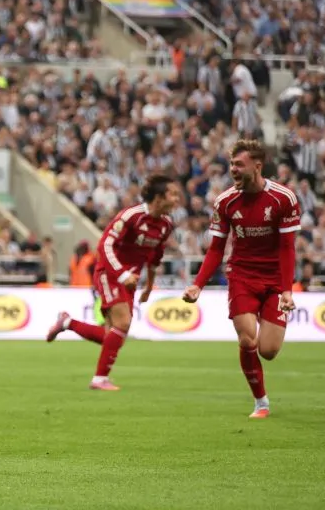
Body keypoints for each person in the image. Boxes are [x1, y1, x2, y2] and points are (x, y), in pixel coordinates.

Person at [183, 140, 299, 419]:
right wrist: (198, 284)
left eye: (239, 164)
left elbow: (287, 248)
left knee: (268, 351)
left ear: (257, 166)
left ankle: (268, 320)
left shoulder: (284, 199)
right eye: (231, 164)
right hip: (242, 275)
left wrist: (286, 290)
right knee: (248, 340)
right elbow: (216, 248)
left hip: (273, 280)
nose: (233, 169)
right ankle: (261, 402)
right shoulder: (224, 201)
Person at [46, 174, 180, 390]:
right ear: (158, 197)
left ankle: (67, 323)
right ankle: (99, 379)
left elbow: (155, 258)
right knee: (123, 324)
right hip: (109, 273)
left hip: (130, 280)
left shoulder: (165, 225)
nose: (177, 199)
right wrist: (121, 274)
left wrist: (148, 286)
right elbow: (104, 246)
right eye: (173, 194)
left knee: (113, 335)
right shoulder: (131, 216)